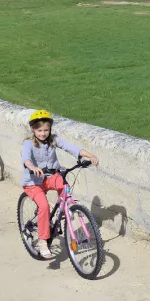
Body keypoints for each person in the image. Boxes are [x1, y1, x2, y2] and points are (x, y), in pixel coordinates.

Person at [21, 110, 99, 259]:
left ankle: (67, 206)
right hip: (33, 181)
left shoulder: (54, 139)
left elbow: (72, 148)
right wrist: (32, 167)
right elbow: (26, 158)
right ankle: (43, 241)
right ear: (33, 129)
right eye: (39, 130)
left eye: (46, 130)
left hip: (50, 176)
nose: (43, 133)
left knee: (62, 182)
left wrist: (90, 155)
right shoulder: (28, 143)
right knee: (44, 206)